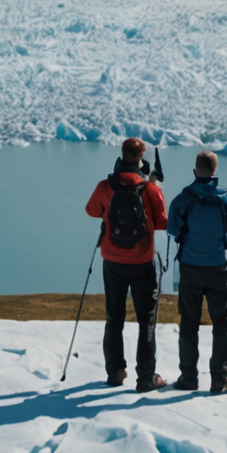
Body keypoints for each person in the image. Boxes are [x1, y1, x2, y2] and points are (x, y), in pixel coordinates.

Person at [84, 137, 168, 391]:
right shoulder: (150, 188)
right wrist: (156, 189)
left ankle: (115, 373)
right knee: (147, 320)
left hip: (112, 260)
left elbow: (91, 210)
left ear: (122, 154)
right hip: (141, 263)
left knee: (114, 318)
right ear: (141, 158)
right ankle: (146, 377)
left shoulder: (105, 186)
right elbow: (163, 222)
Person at [166, 150, 227, 394]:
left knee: (189, 324)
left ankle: (189, 378)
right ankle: (220, 379)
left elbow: (173, 229)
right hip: (219, 268)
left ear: (195, 171)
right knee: (222, 324)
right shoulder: (226, 200)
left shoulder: (183, 199)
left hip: (190, 268)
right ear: (215, 171)